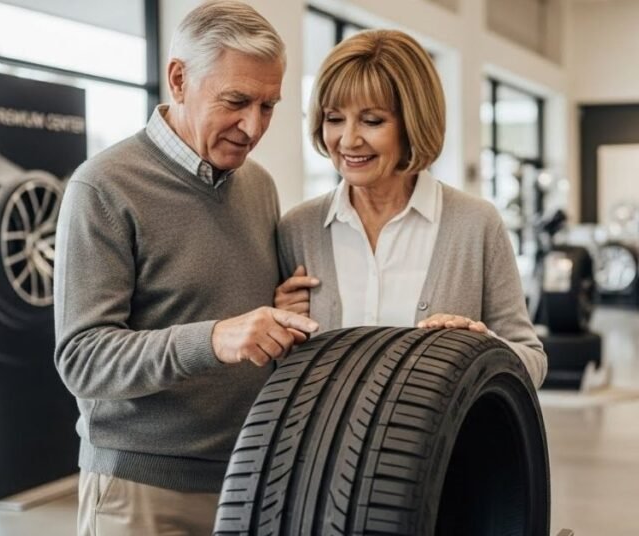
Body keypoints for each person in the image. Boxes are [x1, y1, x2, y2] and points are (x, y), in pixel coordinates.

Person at [53, 2, 318, 534]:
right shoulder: (104, 186)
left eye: (268, 106)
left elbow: (228, 307)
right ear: (179, 79)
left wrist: (276, 310)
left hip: (248, 477)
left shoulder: (258, 186)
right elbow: (82, 358)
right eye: (237, 101)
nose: (253, 126)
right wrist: (214, 339)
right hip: (141, 492)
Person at [275, 29, 546, 387]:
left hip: (440, 445)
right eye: (334, 118)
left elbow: (533, 361)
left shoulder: (475, 224)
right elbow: (281, 376)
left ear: (413, 122)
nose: (349, 139)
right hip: (326, 445)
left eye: (372, 121)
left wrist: (482, 346)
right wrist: (279, 332)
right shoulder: (299, 228)